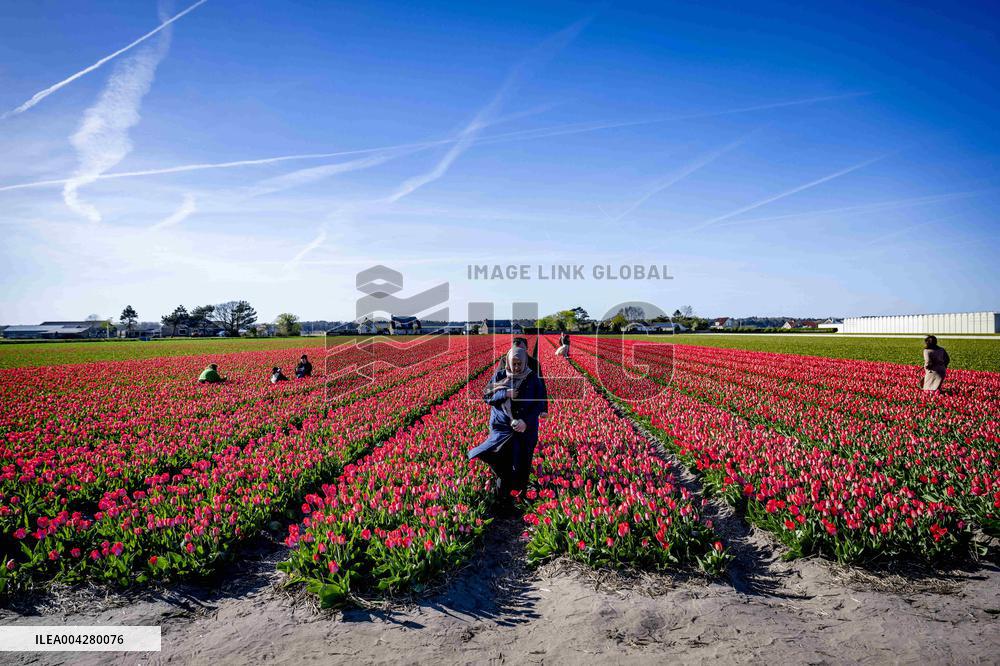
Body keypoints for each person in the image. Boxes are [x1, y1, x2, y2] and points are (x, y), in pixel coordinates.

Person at [468, 346, 547, 513]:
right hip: (502, 427)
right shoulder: (500, 376)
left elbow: (539, 403)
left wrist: (525, 422)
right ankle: (502, 501)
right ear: (508, 362)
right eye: (514, 363)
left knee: (522, 464)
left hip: (525, 430)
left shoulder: (532, 378)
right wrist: (505, 394)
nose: (516, 367)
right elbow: (487, 396)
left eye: (519, 364)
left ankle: (519, 499)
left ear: (525, 362)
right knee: (502, 461)